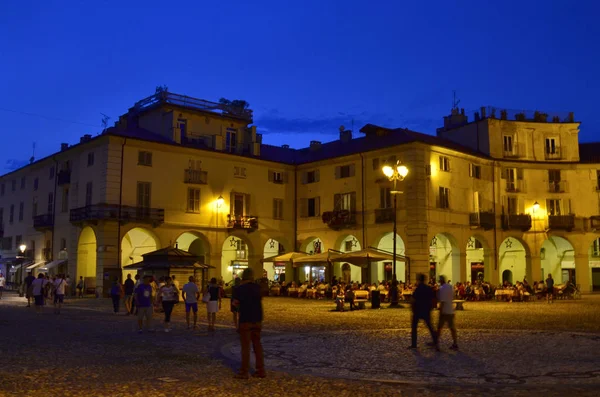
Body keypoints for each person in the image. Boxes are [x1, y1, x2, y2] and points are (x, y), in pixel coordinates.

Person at [233, 268, 265, 379]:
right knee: (257, 346)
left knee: (245, 347)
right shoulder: (258, 288)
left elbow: (235, 304)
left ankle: (244, 371)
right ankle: (260, 370)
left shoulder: (239, 289)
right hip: (257, 319)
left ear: (243, 278)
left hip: (245, 319)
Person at [409, 273, 438, 350]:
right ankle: (435, 341)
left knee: (414, 327)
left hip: (418, 310)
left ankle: (414, 344)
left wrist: (412, 308)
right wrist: (430, 307)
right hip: (426, 309)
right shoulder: (428, 288)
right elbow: (433, 299)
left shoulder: (418, 288)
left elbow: (413, 299)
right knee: (430, 326)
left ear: (419, 280)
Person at [436, 275, 458, 350]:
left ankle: (436, 344)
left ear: (440, 281)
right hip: (450, 310)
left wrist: (440, 311)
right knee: (452, 328)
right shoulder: (450, 287)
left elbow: (442, 301)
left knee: (439, 327)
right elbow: (453, 296)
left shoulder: (442, 289)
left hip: (444, 311)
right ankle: (455, 343)